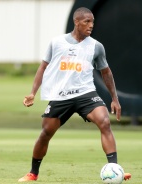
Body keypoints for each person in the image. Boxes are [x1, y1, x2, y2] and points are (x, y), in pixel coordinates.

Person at [18, 7, 131, 182]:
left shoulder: (96, 46)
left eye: (93, 22)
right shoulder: (56, 43)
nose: (91, 25)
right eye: (87, 21)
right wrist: (33, 92)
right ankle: (33, 173)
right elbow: (43, 67)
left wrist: (114, 99)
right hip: (61, 95)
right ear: (76, 22)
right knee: (46, 132)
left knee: (104, 121)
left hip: (86, 93)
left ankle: (114, 169)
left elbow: (106, 73)